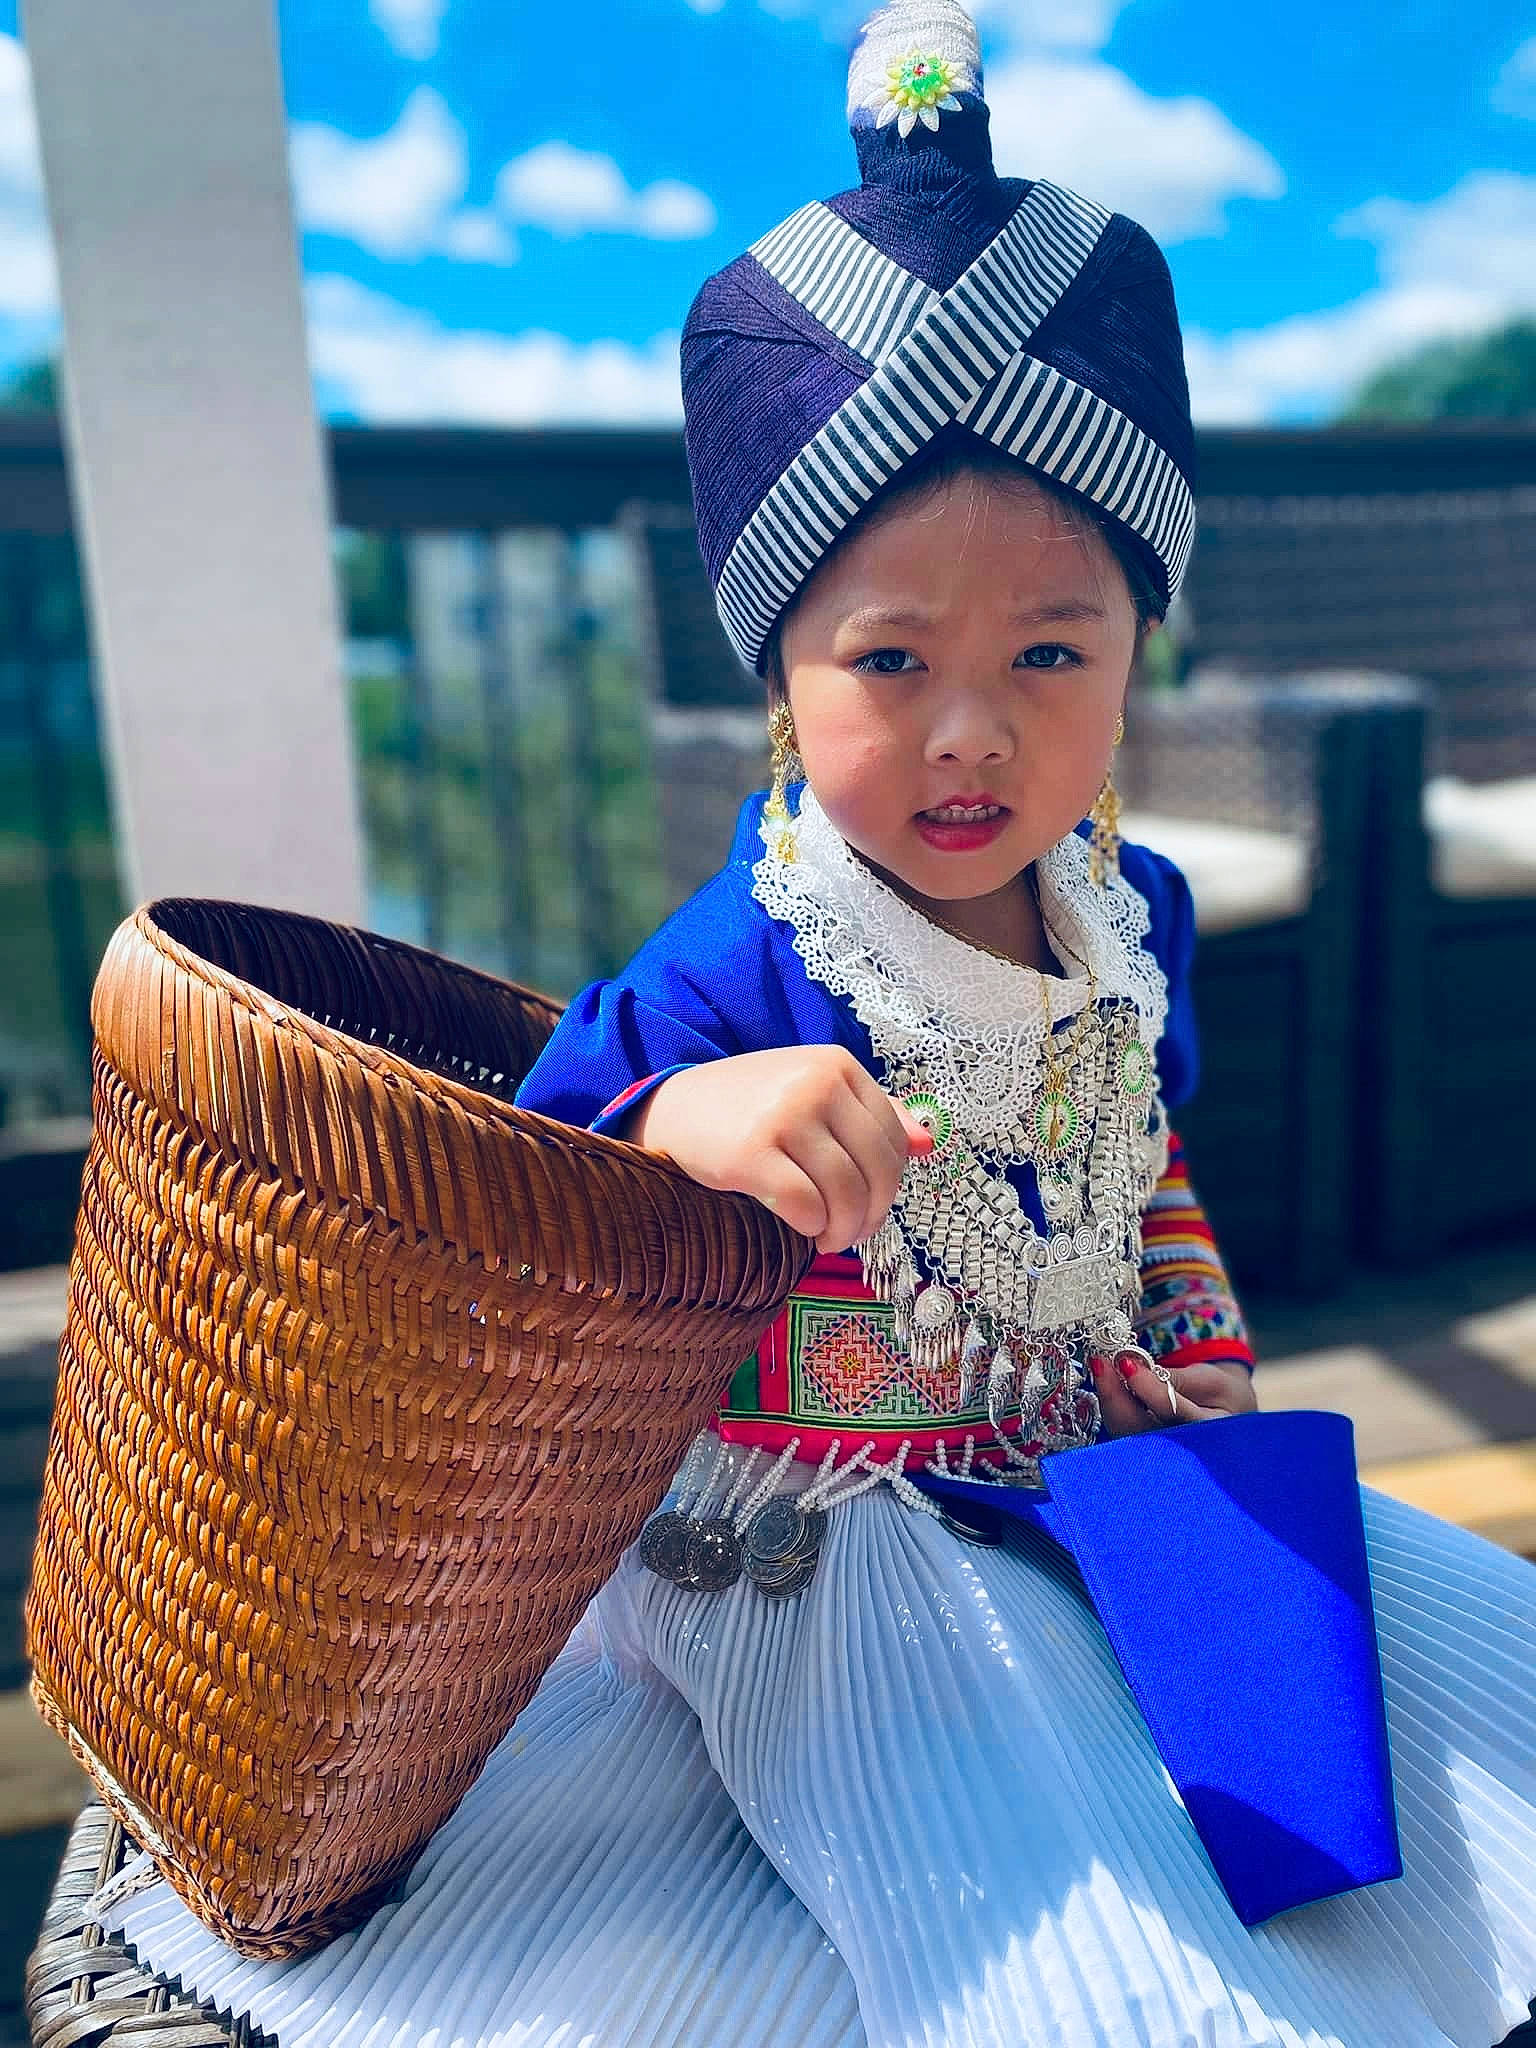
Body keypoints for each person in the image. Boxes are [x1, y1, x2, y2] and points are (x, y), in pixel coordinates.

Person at [105, 4, 1536, 2043]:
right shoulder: (755, 943)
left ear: (1143, 657)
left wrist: (1191, 1345)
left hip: (1102, 1468)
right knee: (1035, 1861)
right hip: (833, 1537)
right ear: (785, 678)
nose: (973, 726)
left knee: (1441, 1690)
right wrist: (685, 1112)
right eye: (891, 656)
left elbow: (1151, 1160)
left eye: (1055, 644)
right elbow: (555, 1152)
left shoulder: (1138, 917)